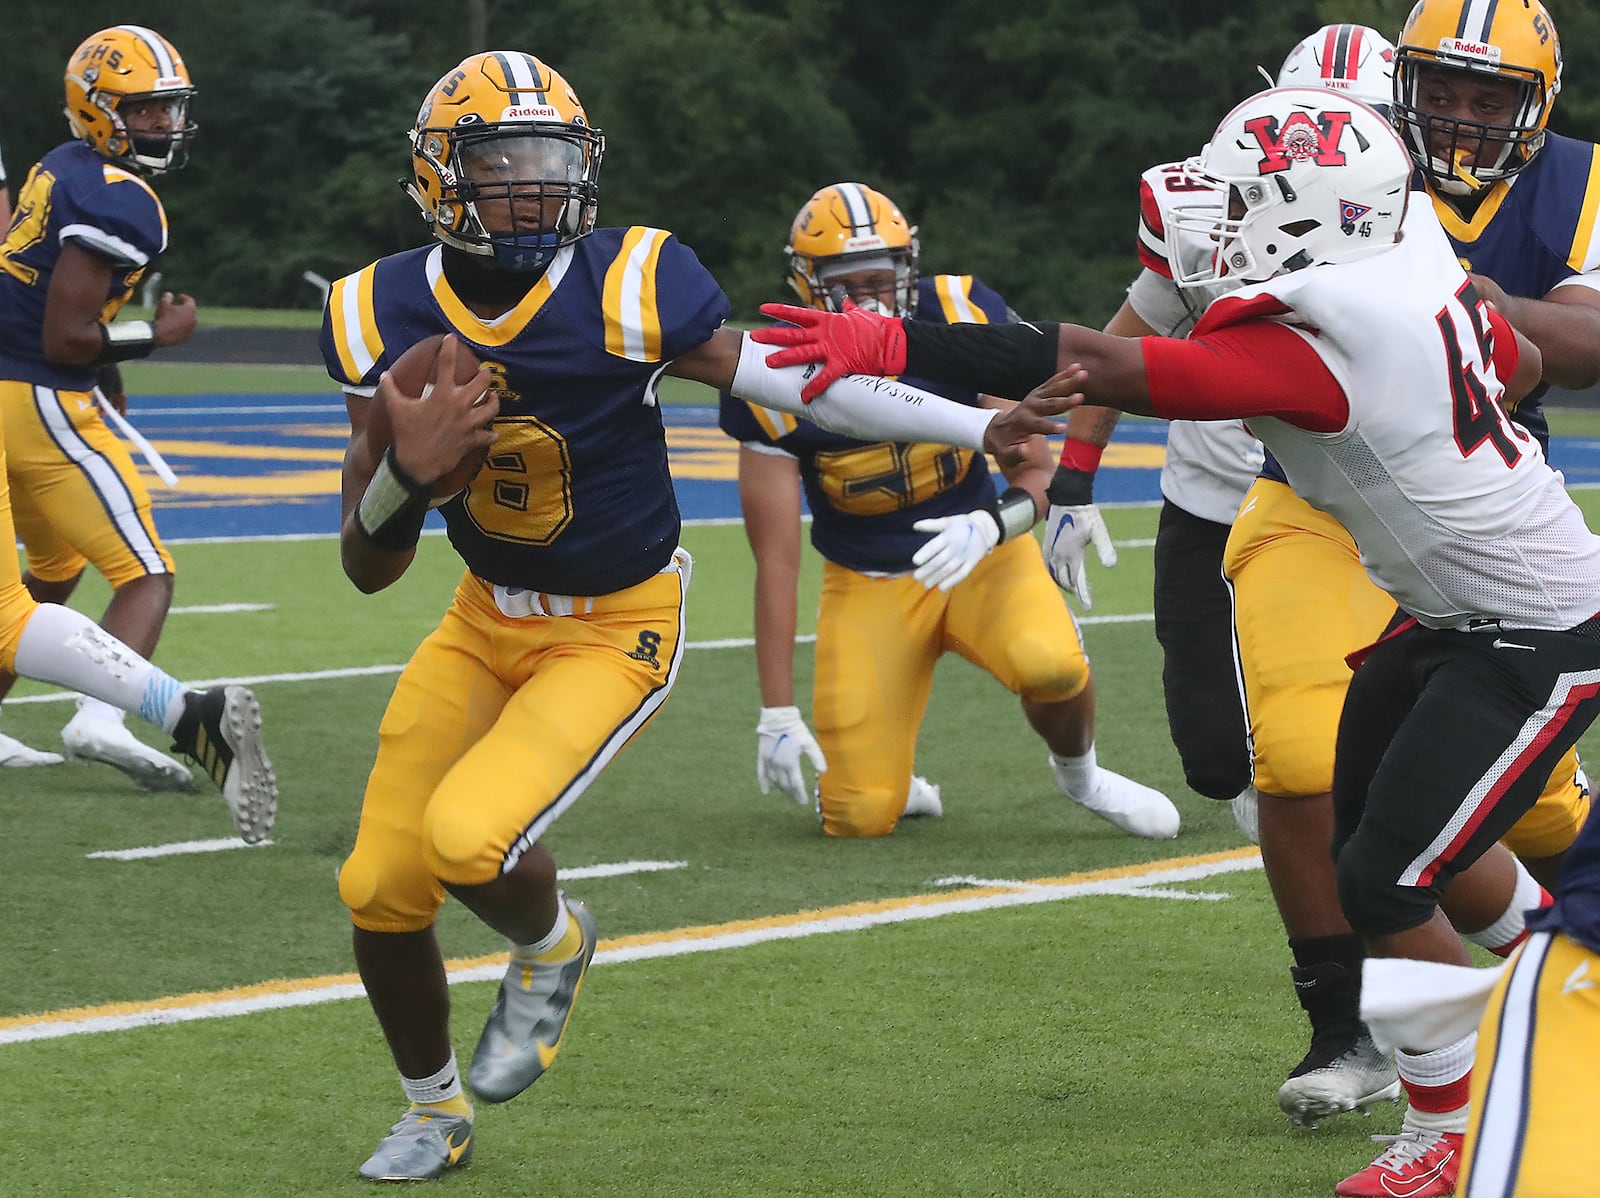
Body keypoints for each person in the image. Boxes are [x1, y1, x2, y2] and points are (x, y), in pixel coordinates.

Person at [751, 85, 1600, 1198]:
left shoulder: (1341, 336)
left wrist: (894, 338)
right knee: (1365, 848)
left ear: (1314, 213)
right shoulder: (1405, 268)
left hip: (1534, 628)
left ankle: (1486, 1098)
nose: (1223, 216)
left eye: (1247, 198)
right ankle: (1494, 1054)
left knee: (1386, 878)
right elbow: (1518, 363)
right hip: (1449, 612)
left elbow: (1113, 366)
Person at [324, 52, 1072, 1183]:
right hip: (483, 616)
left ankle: (551, 940)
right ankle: (434, 1111)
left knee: (468, 837)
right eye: (500, 160)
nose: (530, 184)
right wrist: (405, 480)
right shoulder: (375, 307)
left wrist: (976, 431)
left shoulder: (630, 279)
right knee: (379, 883)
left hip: (613, 622)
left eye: (549, 159)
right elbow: (367, 566)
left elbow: (793, 378)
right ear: (438, 175)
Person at [1049, 6, 1596, 1154]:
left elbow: (1579, 345)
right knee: (1301, 764)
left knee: (1520, 807)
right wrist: (1071, 467)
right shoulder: (1307, 157)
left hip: (1473, 525)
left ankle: (1548, 990)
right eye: (1436, 88)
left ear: (1535, 109)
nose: (1454, 115)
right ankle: (1351, 1027)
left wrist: (1488, 319)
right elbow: (1134, 331)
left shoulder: (1575, 186)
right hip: (1310, 498)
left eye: (1486, 98)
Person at [719, 181, 1177, 839]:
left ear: (910, 272)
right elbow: (776, 560)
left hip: (981, 555)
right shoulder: (771, 369)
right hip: (869, 582)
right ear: (805, 284)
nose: (866, 300)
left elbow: (1038, 470)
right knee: (855, 816)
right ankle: (893, 780)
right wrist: (777, 711)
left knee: (1049, 664)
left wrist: (991, 523)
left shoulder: (956, 310)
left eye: (880, 279)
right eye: (846, 283)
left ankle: (1083, 775)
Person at [0, 25, 205, 787]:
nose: (164, 125)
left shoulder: (62, 167)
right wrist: (163, 332)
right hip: (40, 397)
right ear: (96, 109)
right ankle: (101, 718)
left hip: (12, 391)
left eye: (169, 109)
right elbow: (66, 335)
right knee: (146, 572)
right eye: (146, 110)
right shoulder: (122, 200)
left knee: (50, 571)